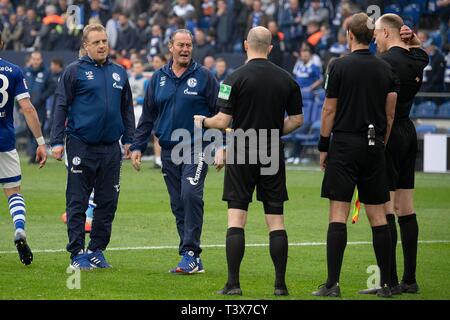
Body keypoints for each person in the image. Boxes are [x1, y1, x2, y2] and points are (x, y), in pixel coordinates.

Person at [193, 26, 304, 296]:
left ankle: (233, 284)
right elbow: (297, 120)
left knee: (236, 219)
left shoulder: (233, 78)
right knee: (276, 221)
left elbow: (222, 121)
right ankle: (280, 285)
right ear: (270, 47)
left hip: (242, 151)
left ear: (245, 45)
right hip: (271, 152)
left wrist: (203, 121)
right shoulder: (287, 79)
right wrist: (275, 132)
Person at [312, 13, 399, 298]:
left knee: (338, 213)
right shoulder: (385, 68)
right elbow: (390, 113)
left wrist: (324, 145)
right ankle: (386, 284)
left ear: (349, 34)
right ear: (371, 36)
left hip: (345, 144)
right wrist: (381, 144)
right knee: (378, 216)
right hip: (374, 145)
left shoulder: (338, 66)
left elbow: (328, 110)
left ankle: (332, 284)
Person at [130, 29, 219, 274]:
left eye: (188, 45)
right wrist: (137, 146)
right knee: (178, 202)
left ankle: (190, 253)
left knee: (190, 194)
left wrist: (222, 146)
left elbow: (221, 113)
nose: (185, 49)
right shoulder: (157, 78)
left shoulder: (205, 77)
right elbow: (148, 116)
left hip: (198, 146)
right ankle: (191, 258)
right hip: (169, 149)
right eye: (180, 45)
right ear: (170, 47)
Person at [50, 24, 135, 270]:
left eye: (104, 41)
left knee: (108, 202)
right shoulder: (73, 71)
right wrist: (56, 141)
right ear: (86, 46)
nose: (101, 46)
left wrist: (129, 139)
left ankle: (97, 250)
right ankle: (76, 252)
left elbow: (126, 109)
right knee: (77, 201)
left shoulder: (119, 72)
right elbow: (61, 106)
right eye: (96, 42)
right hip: (81, 145)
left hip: (111, 148)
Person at [359, 14, 429, 295]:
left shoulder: (383, 64)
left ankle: (388, 281)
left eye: (376, 34)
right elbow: (421, 50)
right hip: (408, 131)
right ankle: (409, 280)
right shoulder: (417, 60)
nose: (374, 39)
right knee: (406, 208)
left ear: (387, 33)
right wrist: (413, 39)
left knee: (384, 209)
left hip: (386, 134)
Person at [0, 32, 47, 265]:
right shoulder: (14, 71)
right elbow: (27, 109)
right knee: (13, 190)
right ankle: (19, 229)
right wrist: (40, 142)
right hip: (5, 141)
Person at [23, 51, 55, 164]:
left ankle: (34, 156)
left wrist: (42, 97)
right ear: (30, 60)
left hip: (40, 108)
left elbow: (52, 87)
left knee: (38, 131)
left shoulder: (47, 72)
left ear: (41, 60)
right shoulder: (25, 71)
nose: (36, 61)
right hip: (26, 108)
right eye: (34, 59)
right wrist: (20, 105)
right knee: (30, 131)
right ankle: (34, 154)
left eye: (38, 59)